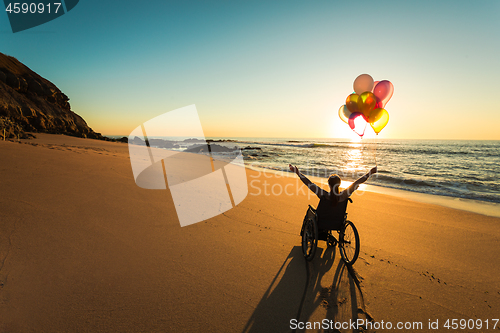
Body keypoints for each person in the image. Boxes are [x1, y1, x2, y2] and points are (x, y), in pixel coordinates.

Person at [289, 164, 377, 232]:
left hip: (321, 222)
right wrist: (370, 173)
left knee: (310, 211)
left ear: (329, 184)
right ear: (340, 184)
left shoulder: (323, 195)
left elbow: (308, 183)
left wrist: (298, 173)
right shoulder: (344, 195)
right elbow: (357, 182)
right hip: (337, 223)